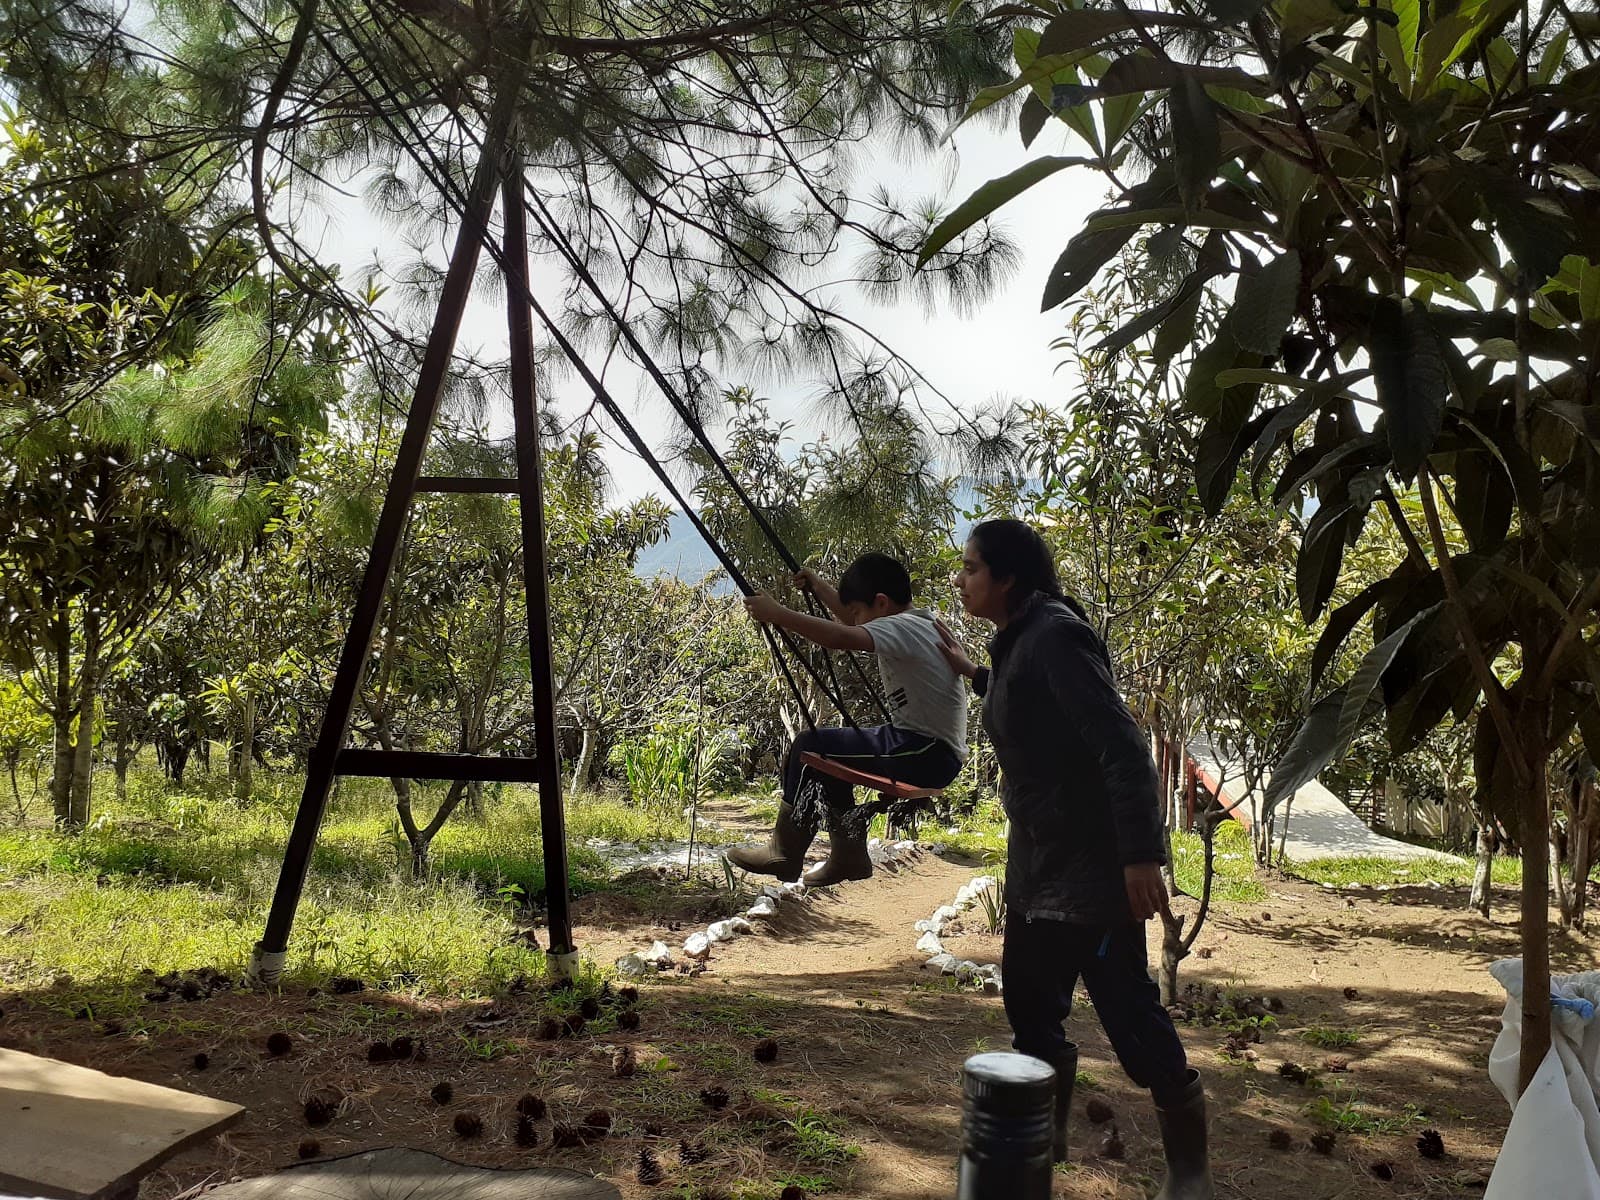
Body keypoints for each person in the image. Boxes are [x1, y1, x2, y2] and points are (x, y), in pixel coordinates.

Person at [936, 518, 1213, 1199]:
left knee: (1133, 1022)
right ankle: (1040, 1146)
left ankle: (1189, 1171)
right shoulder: (1019, 640)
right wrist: (974, 674)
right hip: (1037, 867)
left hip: (1094, 874)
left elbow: (1121, 747)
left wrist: (1142, 856)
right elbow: (1027, 708)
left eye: (971, 568)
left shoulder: (1056, 634)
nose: (961, 579)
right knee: (1031, 1010)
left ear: (1007, 579)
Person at [727, 553, 967, 886]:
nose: (851, 618)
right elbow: (853, 622)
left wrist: (778, 614)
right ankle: (848, 857)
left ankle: (783, 852)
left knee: (808, 745)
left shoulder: (902, 627)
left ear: (881, 603)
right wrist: (818, 586)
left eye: (856, 610)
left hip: (924, 751)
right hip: (922, 747)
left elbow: (841, 637)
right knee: (829, 760)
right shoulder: (913, 623)